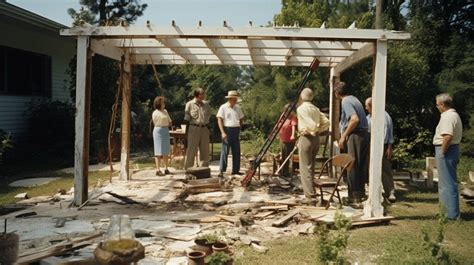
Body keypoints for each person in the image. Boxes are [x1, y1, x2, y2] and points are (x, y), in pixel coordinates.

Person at [334, 82, 369, 203]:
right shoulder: (355, 99)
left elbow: (354, 120)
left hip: (355, 135)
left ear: (337, 93)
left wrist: (344, 136)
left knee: (351, 165)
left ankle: (353, 197)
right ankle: (360, 193)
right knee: (359, 165)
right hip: (363, 135)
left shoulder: (346, 101)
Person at [296, 88, 330, 203]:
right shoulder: (315, 108)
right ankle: (312, 192)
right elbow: (327, 122)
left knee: (305, 167)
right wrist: (319, 130)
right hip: (316, 139)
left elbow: (311, 124)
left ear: (302, 96)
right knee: (311, 165)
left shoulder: (301, 109)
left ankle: (310, 196)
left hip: (307, 137)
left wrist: (312, 129)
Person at [433, 93, 463, 220]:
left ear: (443, 105)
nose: (436, 106)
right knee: (446, 183)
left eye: (437, 104)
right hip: (451, 149)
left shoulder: (448, 117)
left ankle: (451, 214)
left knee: (447, 183)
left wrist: (442, 152)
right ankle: (446, 212)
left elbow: (447, 136)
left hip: (447, 150)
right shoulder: (453, 115)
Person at [365, 97, 396, 202]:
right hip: (371, 145)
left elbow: (388, 133)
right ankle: (375, 191)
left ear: (372, 106)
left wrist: (389, 147)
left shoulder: (384, 116)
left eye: (367, 106)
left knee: (385, 169)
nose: (366, 108)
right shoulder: (369, 117)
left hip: (381, 145)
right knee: (372, 168)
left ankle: (390, 192)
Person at [217, 90, 244, 177]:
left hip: (235, 129)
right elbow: (219, 119)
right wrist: (222, 132)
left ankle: (236, 170)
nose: (235, 101)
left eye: (236, 99)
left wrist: (239, 127)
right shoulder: (223, 107)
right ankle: (222, 170)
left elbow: (241, 118)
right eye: (234, 99)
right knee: (225, 150)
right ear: (230, 99)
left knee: (236, 150)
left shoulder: (238, 107)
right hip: (227, 129)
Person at [184, 88, 212, 169]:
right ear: (197, 95)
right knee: (191, 150)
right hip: (194, 128)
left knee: (205, 151)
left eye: (204, 93)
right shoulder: (189, 104)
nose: (203, 95)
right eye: (202, 94)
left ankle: (203, 170)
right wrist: (185, 132)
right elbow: (186, 118)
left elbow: (209, 115)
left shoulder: (206, 104)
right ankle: (189, 170)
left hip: (204, 128)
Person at [149, 96, 172, 176]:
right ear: (159, 104)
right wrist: (165, 123)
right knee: (158, 150)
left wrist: (168, 124)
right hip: (158, 130)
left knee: (166, 150)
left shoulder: (165, 111)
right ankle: (158, 170)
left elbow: (170, 121)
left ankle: (166, 168)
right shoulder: (155, 112)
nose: (164, 104)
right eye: (162, 103)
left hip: (166, 130)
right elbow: (157, 122)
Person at [278, 103, 297, 179]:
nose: (285, 112)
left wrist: (293, 135)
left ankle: (285, 172)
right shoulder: (283, 117)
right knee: (283, 156)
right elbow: (278, 125)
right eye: (285, 110)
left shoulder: (293, 118)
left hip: (289, 140)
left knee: (286, 156)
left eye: (287, 110)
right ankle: (282, 171)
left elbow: (293, 127)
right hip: (282, 139)